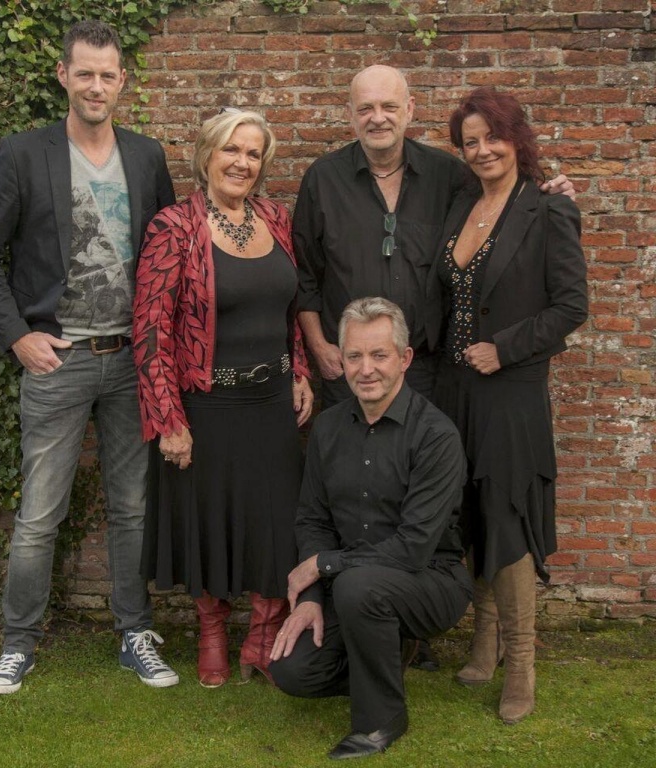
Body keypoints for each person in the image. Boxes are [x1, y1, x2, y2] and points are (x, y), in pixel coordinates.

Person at [293, 63, 573, 671]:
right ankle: (356, 629)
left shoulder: (449, 176)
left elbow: (506, 203)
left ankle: (413, 630)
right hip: (350, 373)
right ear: (350, 114)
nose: (378, 118)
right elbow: (306, 276)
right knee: (356, 498)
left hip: (426, 370)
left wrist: (550, 187)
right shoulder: (323, 180)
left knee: (429, 501)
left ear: (410, 110)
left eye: (389, 106)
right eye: (366, 108)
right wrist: (318, 346)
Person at [0, 20, 179, 694]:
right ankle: (18, 643)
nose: (95, 85)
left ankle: (135, 633)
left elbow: (167, 256)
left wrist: (163, 351)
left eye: (107, 75)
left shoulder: (146, 157)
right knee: (39, 515)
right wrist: (17, 335)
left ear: (122, 82)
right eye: (84, 73)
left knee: (132, 508)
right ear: (63, 75)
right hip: (58, 361)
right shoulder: (24, 154)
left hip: (131, 361)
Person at [132, 109, 314, 688]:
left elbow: (290, 309)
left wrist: (299, 368)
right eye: (231, 150)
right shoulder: (174, 227)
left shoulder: (276, 219)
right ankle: (211, 632)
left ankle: (263, 634)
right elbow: (151, 330)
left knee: (274, 520)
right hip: (206, 406)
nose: (242, 162)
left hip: (272, 404)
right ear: (207, 154)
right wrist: (168, 419)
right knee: (208, 519)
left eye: (254, 153)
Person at [429, 86, 588, 724]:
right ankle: (486, 639)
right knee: (468, 507)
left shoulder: (548, 209)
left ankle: (521, 661)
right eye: (470, 142)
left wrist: (506, 348)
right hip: (454, 386)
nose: (482, 150)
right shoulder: (462, 203)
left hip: (511, 389)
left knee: (508, 515)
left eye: (492, 137)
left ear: (516, 138)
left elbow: (571, 307)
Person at [268, 297, 472, 761]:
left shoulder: (436, 436)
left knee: (359, 585)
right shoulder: (328, 428)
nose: (366, 369)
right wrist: (311, 598)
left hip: (430, 580)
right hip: (351, 589)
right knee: (292, 672)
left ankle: (381, 720)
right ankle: (383, 657)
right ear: (341, 359)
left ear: (404, 358)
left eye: (379, 355)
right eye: (354, 355)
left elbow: (414, 548)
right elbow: (313, 519)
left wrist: (324, 566)